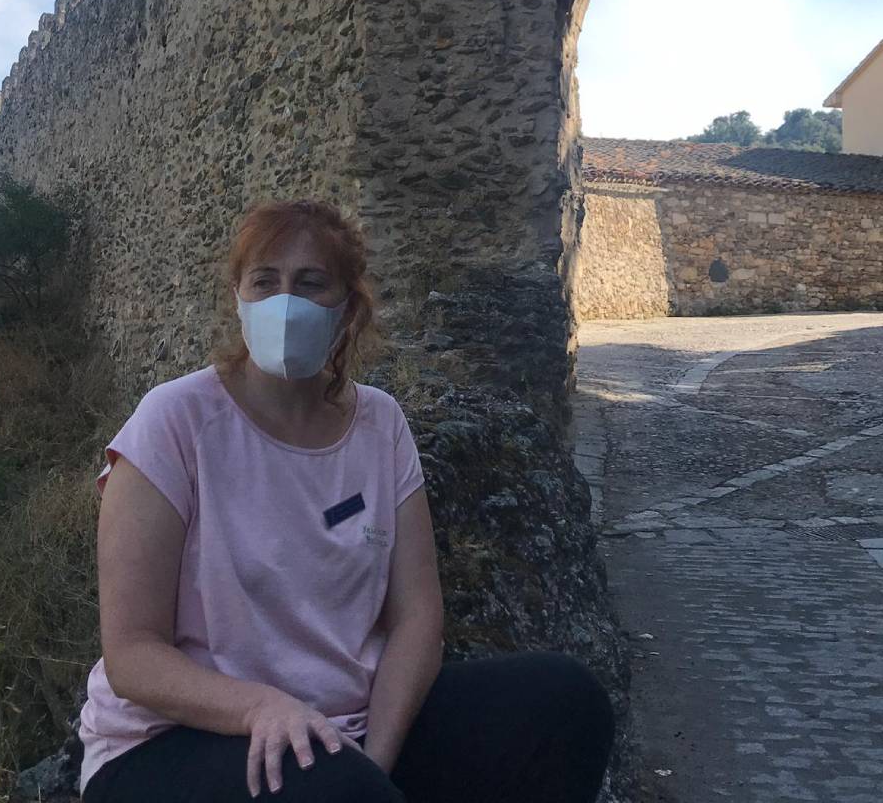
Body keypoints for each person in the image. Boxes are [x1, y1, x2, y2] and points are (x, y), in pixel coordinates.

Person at [78, 198, 616, 802]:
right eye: (266, 282)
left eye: (311, 285)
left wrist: (379, 760)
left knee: (564, 701)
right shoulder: (174, 420)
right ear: (238, 297)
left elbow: (416, 616)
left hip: (344, 731)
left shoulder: (380, 425)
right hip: (174, 739)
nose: (286, 303)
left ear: (347, 307)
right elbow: (132, 656)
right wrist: (262, 709)